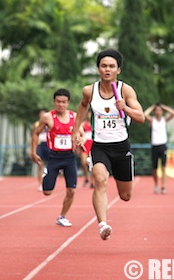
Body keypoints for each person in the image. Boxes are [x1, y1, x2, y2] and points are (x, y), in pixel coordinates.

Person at [71, 48, 145, 240]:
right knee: (100, 180)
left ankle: (109, 211)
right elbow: (82, 106)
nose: (107, 69)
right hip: (100, 146)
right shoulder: (90, 90)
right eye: (103, 66)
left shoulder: (125, 90)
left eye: (111, 66)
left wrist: (125, 107)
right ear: (98, 69)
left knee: (125, 196)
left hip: (121, 147)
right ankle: (103, 224)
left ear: (118, 70)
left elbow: (141, 117)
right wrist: (75, 129)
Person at [31, 89, 82, 227]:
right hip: (54, 157)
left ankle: (62, 216)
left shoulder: (74, 117)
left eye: (64, 102)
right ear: (54, 102)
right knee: (47, 192)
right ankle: (49, 172)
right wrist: (33, 152)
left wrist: (79, 140)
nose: (61, 105)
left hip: (70, 158)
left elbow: (81, 134)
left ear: (68, 103)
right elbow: (35, 133)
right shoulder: (47, 117)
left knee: (71, 190)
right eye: (58, 102)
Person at [144, 103, 174, 194]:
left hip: (163, 145)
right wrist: (152, 107)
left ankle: (163, 186)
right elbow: (145, 114)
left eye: (159, 110)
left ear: (162, 112)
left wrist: (164, 107)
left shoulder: (164, 120)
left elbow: (173, 113)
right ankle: (156, 185)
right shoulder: (152, 120)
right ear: (155, 112)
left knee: (164, 167)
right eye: (156, 110)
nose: (158, 112)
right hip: (155, 146)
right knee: (154, 168)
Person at [32, 109, 50, 192]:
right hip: (40, 145)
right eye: (41, 114)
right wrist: (32, 149)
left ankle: (48, 182)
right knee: (40, 165)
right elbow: (33, 137)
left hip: (49, 144)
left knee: (50, 165)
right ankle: (40, 183)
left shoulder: (50, 122)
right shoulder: (36, 124)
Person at [79, 111, 93, 188]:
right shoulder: (83, 124)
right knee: (83, 163)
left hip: (93, 145)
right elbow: (79, 134)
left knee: (93, 164)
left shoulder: (95, 124)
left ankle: (93, 181)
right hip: (85, 145)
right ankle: (86, 177)